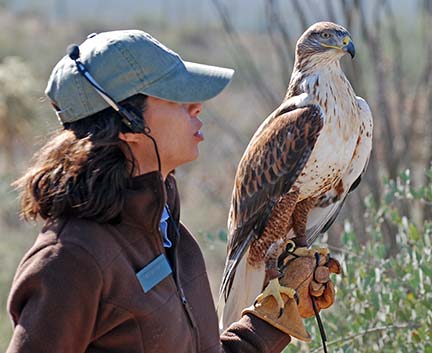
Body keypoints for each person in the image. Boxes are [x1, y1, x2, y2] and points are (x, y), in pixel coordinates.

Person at [6, 30, 337, 353]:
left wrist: (274, 319)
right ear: (129, 123)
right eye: (175, 96)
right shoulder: (70, 260)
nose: (196, 106)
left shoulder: (173, 237)